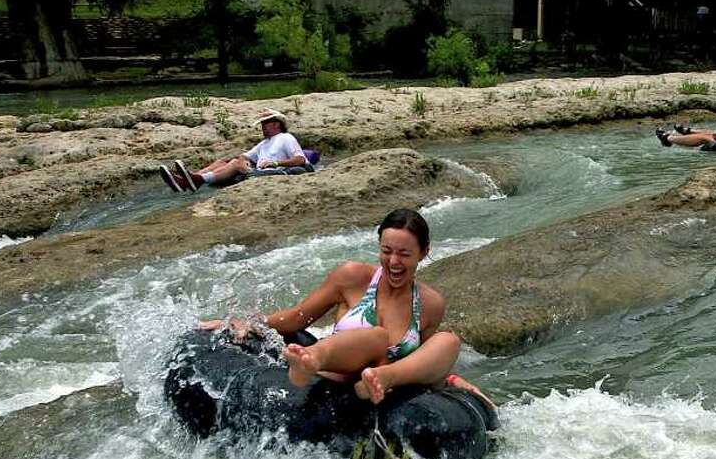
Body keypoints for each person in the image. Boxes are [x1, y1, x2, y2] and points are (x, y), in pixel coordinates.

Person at [198, 208, 493, 408]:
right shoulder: (353, 277)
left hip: (381, 385)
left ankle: (381, 379)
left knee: (449, 340)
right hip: (336, 378)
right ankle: (310, 359)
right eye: (386, 251)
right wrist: (249, 323)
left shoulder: (430, 304)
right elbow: (299, 317)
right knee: (375, 337)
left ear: (424, 253)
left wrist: (453, 381)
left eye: (404, 254)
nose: (393, 262)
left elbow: (425, 362)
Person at [159, 108, 310, 193]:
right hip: (259, 169)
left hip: (273, 170)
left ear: (276, 124)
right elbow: (244, 156)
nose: (262, 126)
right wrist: (231, 160)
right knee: (225, 161)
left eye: (265, 123)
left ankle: (198, 180)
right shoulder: (264, 143)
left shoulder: (286, 137)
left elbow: (300, 160)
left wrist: (275, 163)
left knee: (236, 164)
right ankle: (189, 180)